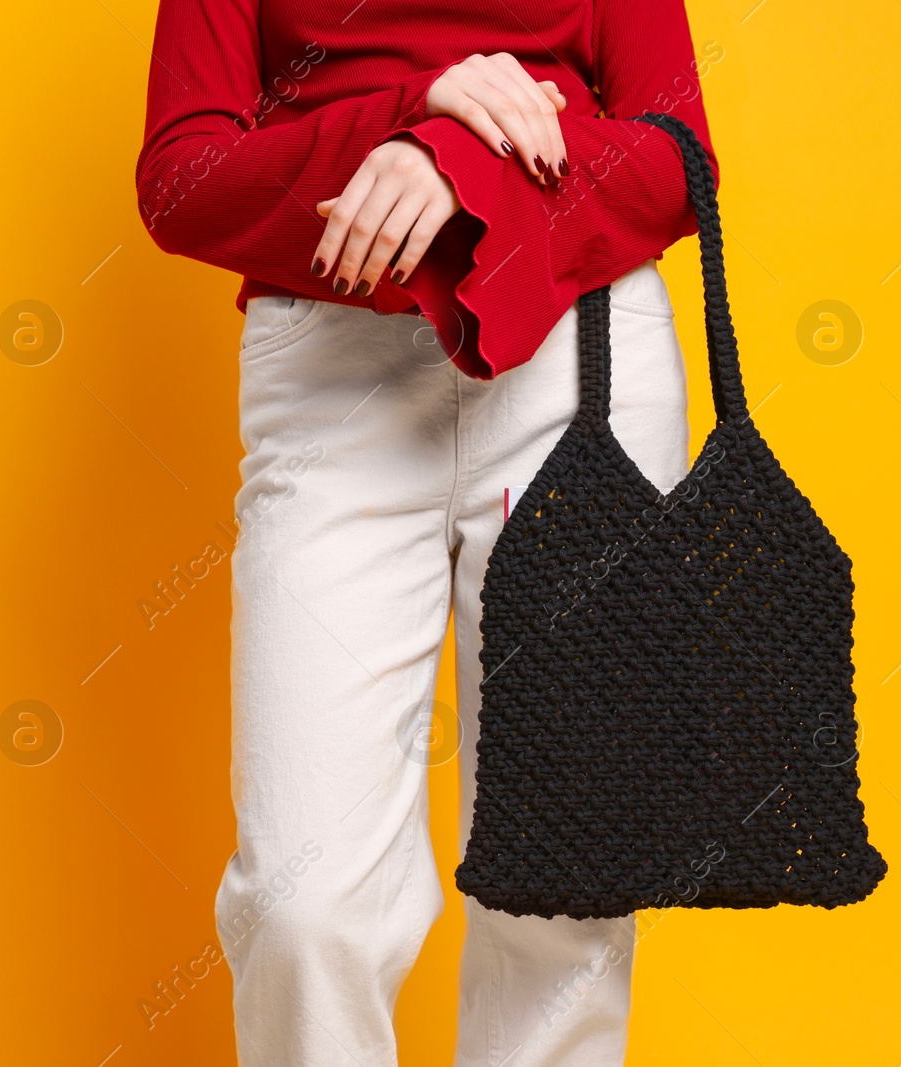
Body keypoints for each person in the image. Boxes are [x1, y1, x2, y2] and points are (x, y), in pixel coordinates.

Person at [135, 3, 718, 1064]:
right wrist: (407, 116)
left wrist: (458, 159)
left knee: (564, 881)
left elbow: (678, 159)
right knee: (302, 905)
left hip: (574, 353)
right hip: (332, 373)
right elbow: (180, 179)